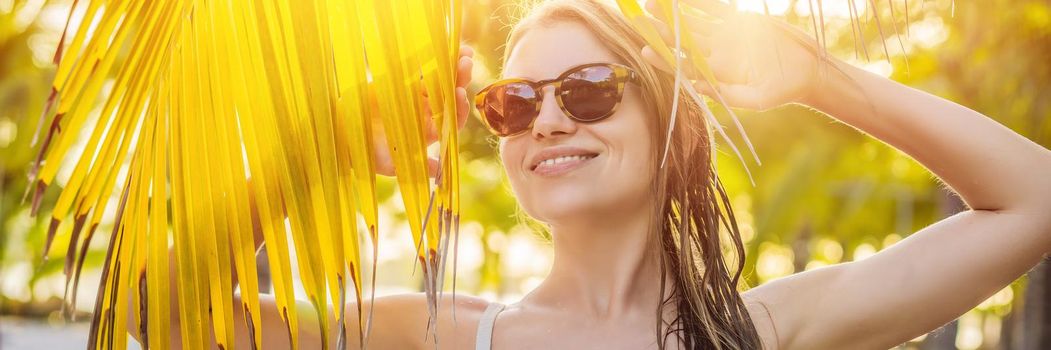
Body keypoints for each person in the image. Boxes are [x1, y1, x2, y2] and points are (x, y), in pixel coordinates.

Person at [139, 0, 1051, 349]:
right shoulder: (438, 335)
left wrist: (816, 78)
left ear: (674, 132)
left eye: (586, 91)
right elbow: (160, 323)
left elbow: (1034, 199)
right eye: (510, 101)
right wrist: (323, 153)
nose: (543, 118)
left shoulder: (764, 330)